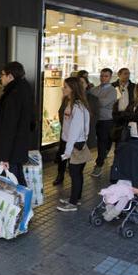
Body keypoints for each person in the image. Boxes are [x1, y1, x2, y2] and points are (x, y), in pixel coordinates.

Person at [0, 61, 34, 186]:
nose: (0, 77)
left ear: (10, 76)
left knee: (10, 184)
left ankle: (19, 205)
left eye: (2, 74)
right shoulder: (24, 90)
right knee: (17, 178)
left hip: (10, 150)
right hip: (17, 147)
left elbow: (8, 127)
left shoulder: (13, 95)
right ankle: (24, 204)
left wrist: (4, 156)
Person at [57, 77, 91, 212]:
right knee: (77, 173)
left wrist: (68, 150)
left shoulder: (77, 106)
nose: (63, 89)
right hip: (75, 144)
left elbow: (75, 131)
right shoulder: (73, 104)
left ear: (72, 89)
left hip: (76, 145)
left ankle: (72, 203)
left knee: (75, 174)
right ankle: (75, 198)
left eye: (65, 87)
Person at [88, 68, 117, 177]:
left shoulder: (112, 91)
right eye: (102, 75)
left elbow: (101, 102)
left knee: (103, 143)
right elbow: (89, 100)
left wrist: (94, 100)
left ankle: (99, 165)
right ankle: (102, 156)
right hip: (95, 119)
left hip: (106, 120)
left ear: (110, 77)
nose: (103, 78)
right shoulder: (94, 89)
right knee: (101, 142)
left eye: (106, 76)